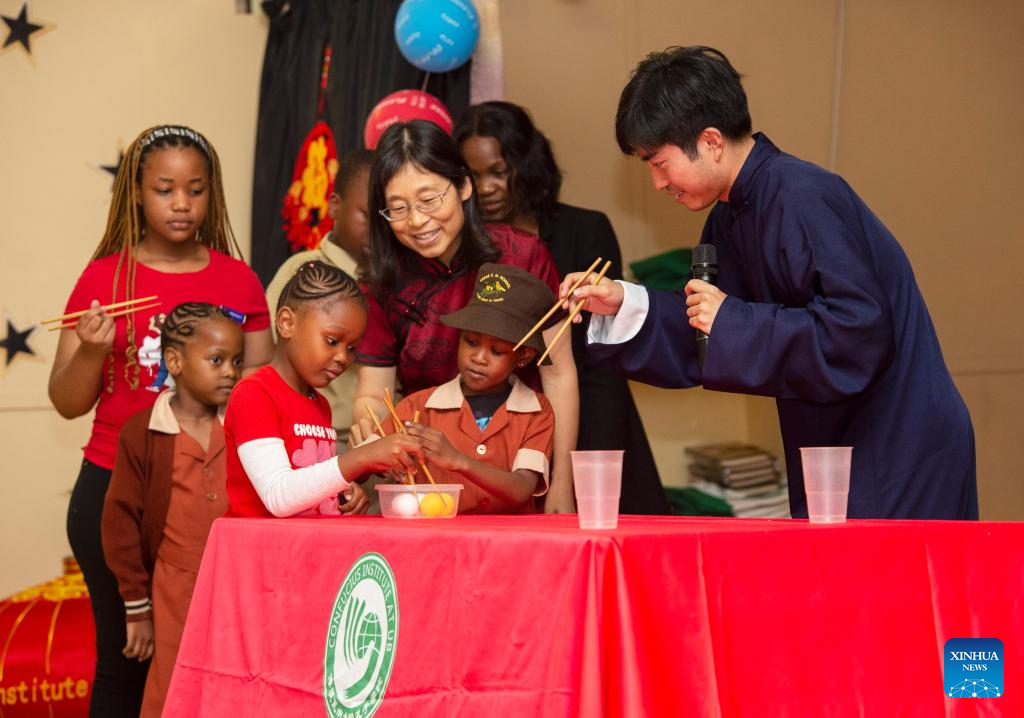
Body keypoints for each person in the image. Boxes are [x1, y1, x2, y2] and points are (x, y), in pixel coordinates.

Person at [563, 46, 977, 520]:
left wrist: (733, 321)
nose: (658, 184)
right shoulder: (730, 215)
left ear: (712, 141)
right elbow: (704, 332)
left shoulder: (805, 195)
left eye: (659, 163)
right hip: (833, 439)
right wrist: (621, 302)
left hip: (899, 442)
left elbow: (858, 331)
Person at [48, 125, 273, 716]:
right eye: (164, 189)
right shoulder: (104, 278)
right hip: (115, 489)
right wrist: (93, 351)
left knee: (210, 658)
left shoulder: (239, 281)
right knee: (125, 664)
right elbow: (67, 401)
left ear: (211, 194)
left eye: (195, 190)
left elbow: (259, 397)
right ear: (136, 194)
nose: (180, 204)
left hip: (210, 491)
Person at [350, 120, 580, 513]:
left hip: (516, 465)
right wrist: (372, 431)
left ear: (463, 186)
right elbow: (375, 392)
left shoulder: (522, 255)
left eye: (429, 199)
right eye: (399, 208)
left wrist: (562, 483)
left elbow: (558, 374)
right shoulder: (383, 282)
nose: (418, 221)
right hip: (429, 484)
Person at [454, 101, 669, 515]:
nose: (486, 188)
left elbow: (601, 358)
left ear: (527, 164)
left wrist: (586, 464)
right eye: (473, 176)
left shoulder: (585, 230)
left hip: (589, 420)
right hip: (503, 433)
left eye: (498, 172)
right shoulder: (467, 244)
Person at [102, 303, 244, 717]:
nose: (231, 372)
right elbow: (120, 522)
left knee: (233, 683)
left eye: (237, 361)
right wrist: (137, 608)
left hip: (236, 581)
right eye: (216, 360)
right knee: (175, 685)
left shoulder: (243, 424)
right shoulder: (142, 433)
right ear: (175, 362)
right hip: (174, 585)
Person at [225, 261, 423, 517]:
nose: (343, 357)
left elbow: (310, 480)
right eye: (332, 341)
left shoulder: (319, 403)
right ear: (287, 323)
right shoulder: (254, 394)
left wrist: (343, 491)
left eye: (352, 348)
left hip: (306, 550)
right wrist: (362, 457)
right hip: (261, 553)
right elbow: (279, 496)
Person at [377, 263, 556, 514]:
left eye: (496, 351)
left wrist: (458, 461)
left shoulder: (536, 412)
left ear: (523, 356)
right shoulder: (417, 407)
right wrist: (388, 460)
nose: (479, 358)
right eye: (471, 342)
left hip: (511, 546)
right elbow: (368, 459)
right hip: (437, 543)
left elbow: (522, 489)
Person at [266, 149, 374, 446]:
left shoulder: (395, 282)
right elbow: (265, 355)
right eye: (366, 215)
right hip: (311, 436)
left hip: (378, 438)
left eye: (388, 215)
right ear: (335, 206)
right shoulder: (302, 271)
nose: (378, 230)